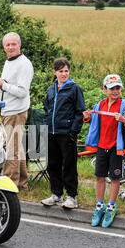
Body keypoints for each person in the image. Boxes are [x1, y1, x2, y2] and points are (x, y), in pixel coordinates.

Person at [83, 74, 125, 228]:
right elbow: (93, 122)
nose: (115, 91)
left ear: (121, 88)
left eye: (117, 88)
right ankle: (99, 206)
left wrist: (124, 120)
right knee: (99, 177)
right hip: (102, 146)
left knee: (115, 178)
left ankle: (111, 207)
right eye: (111, 88)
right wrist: (87, 117)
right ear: (105, 89)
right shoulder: (99, 105)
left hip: (117, 148)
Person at [41, 58, 85, 209]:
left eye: (66, 71)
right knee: (53, 164)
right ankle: (56, 195)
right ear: (55, 72)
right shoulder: (51, 89)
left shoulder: (74, 89)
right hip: (51, 132)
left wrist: (73, 132)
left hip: (66, 133)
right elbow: (47, 109)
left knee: (69, 166)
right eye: (60, 71)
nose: (64, 74)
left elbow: (80, 112)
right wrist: (46, 126)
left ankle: (71, 197)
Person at [0, 32, 34, 190]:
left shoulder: (24, 64)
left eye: (13, 44)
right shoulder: (10, 61)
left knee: (12, 150)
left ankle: (7, 185)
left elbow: (22, 91)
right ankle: (22, 183)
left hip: (16, 112)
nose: (10, 47)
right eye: (7, 45)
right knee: (17, 147)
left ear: (19, 45)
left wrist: (2, 85)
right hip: (7, 110)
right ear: (4, 47)